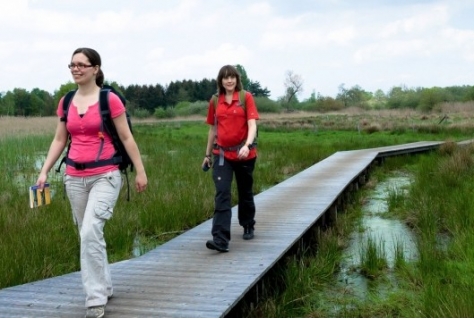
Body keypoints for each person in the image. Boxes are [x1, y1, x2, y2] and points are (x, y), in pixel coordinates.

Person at [35, 47, 147, 318]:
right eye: (72, 65)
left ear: (95, 69)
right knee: (88, 234)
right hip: (73, 177)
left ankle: (95, 299)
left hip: (105, 174)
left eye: (82, 65)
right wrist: (44, 171)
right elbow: (60, 139)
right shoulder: (67, 101)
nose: (76, 69)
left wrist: (141, 171)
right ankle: (105, 285)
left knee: (89, 232)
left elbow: (127, 137)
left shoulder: (110, 101)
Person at [202, 65, 259, 253]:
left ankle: (248, 223)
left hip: (244, 154)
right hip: (222, 156)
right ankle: (220, 239)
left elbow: (252, 125)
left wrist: (247, 145)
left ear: (237, 79)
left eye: (232, 77)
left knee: (245, 191)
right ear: (220, 80)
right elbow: (212, 129)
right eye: (225, 78)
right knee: (222, 193)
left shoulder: (246, 97)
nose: (229, 81)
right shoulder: (215, 101)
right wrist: (207, 155)